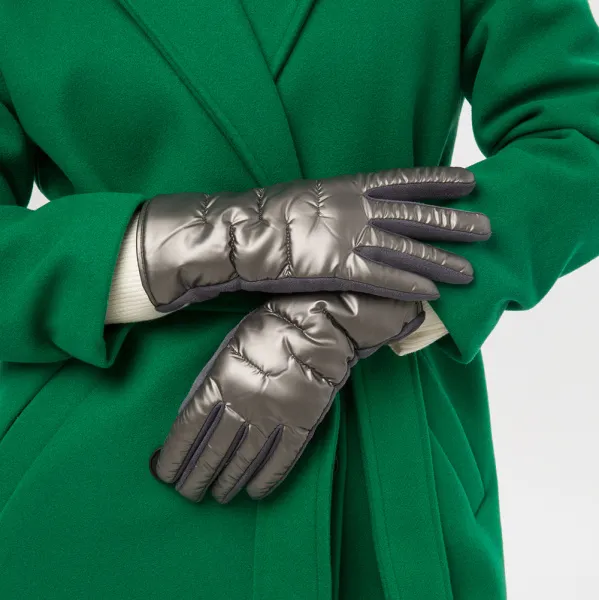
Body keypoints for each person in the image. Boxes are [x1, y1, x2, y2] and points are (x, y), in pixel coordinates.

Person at [0, 1, 598, 598]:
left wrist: (360, 309)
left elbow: (581, 135)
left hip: (384, 446)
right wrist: (220, 240)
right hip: (90, 470)